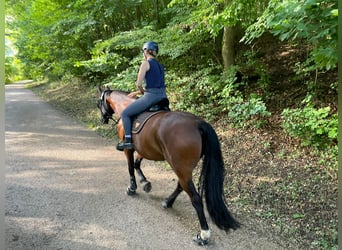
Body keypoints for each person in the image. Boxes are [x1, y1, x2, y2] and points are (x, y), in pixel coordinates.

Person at [116, 41, 168, 150]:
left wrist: (140, 90)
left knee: (125, 113)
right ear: (155, 52)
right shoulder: (160, 65)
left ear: (145, 51)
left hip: (151, 97)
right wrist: (137, 93)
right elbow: (156, 84)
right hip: (163, 96)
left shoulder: (145, 63)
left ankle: (128, 141)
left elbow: (139, 84)